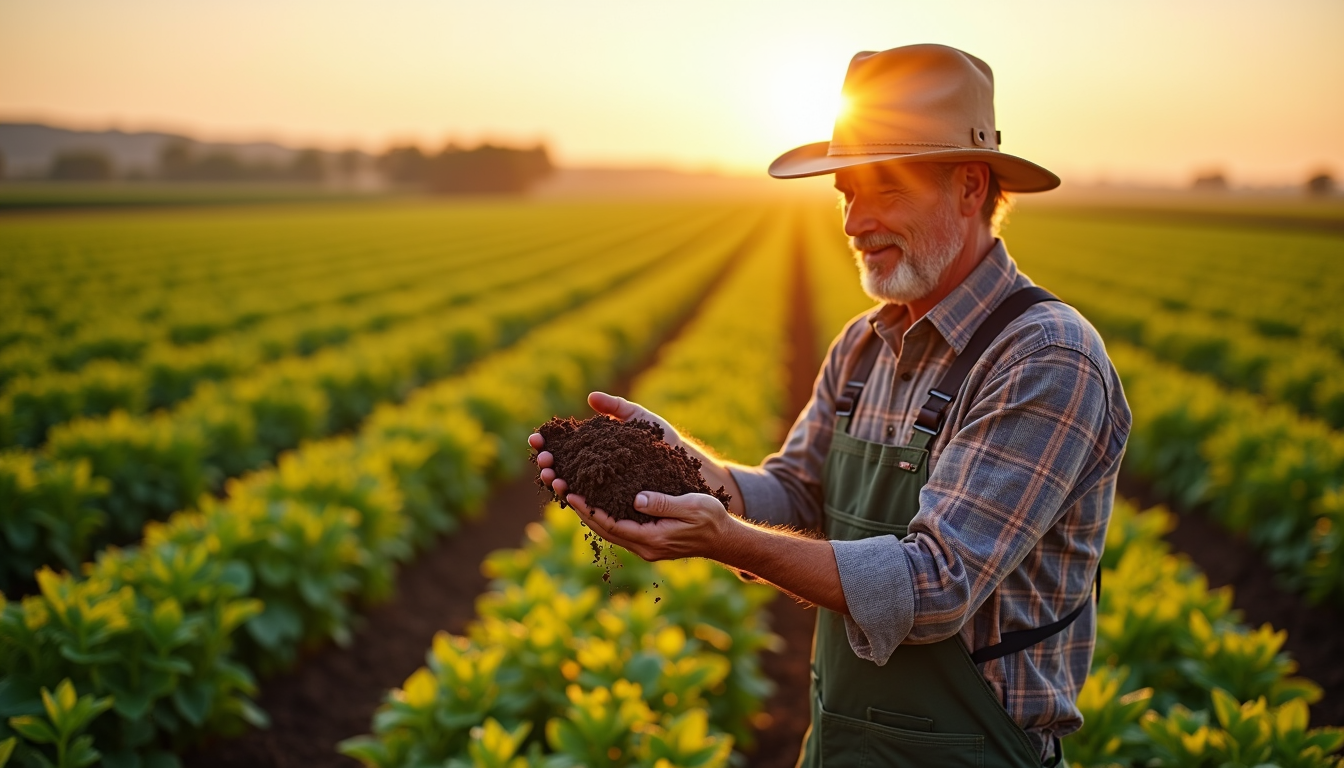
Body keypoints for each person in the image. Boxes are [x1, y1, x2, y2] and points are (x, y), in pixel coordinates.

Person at [531, 43, 1130, 768]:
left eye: (886, 191)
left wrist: (728, 542)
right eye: (847, 193)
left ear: (970, 187)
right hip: (841, 746)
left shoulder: (1043, 358)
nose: (853, 222)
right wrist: (679, 466)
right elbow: (793, 492)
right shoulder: (863, 345)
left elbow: (934, 586)